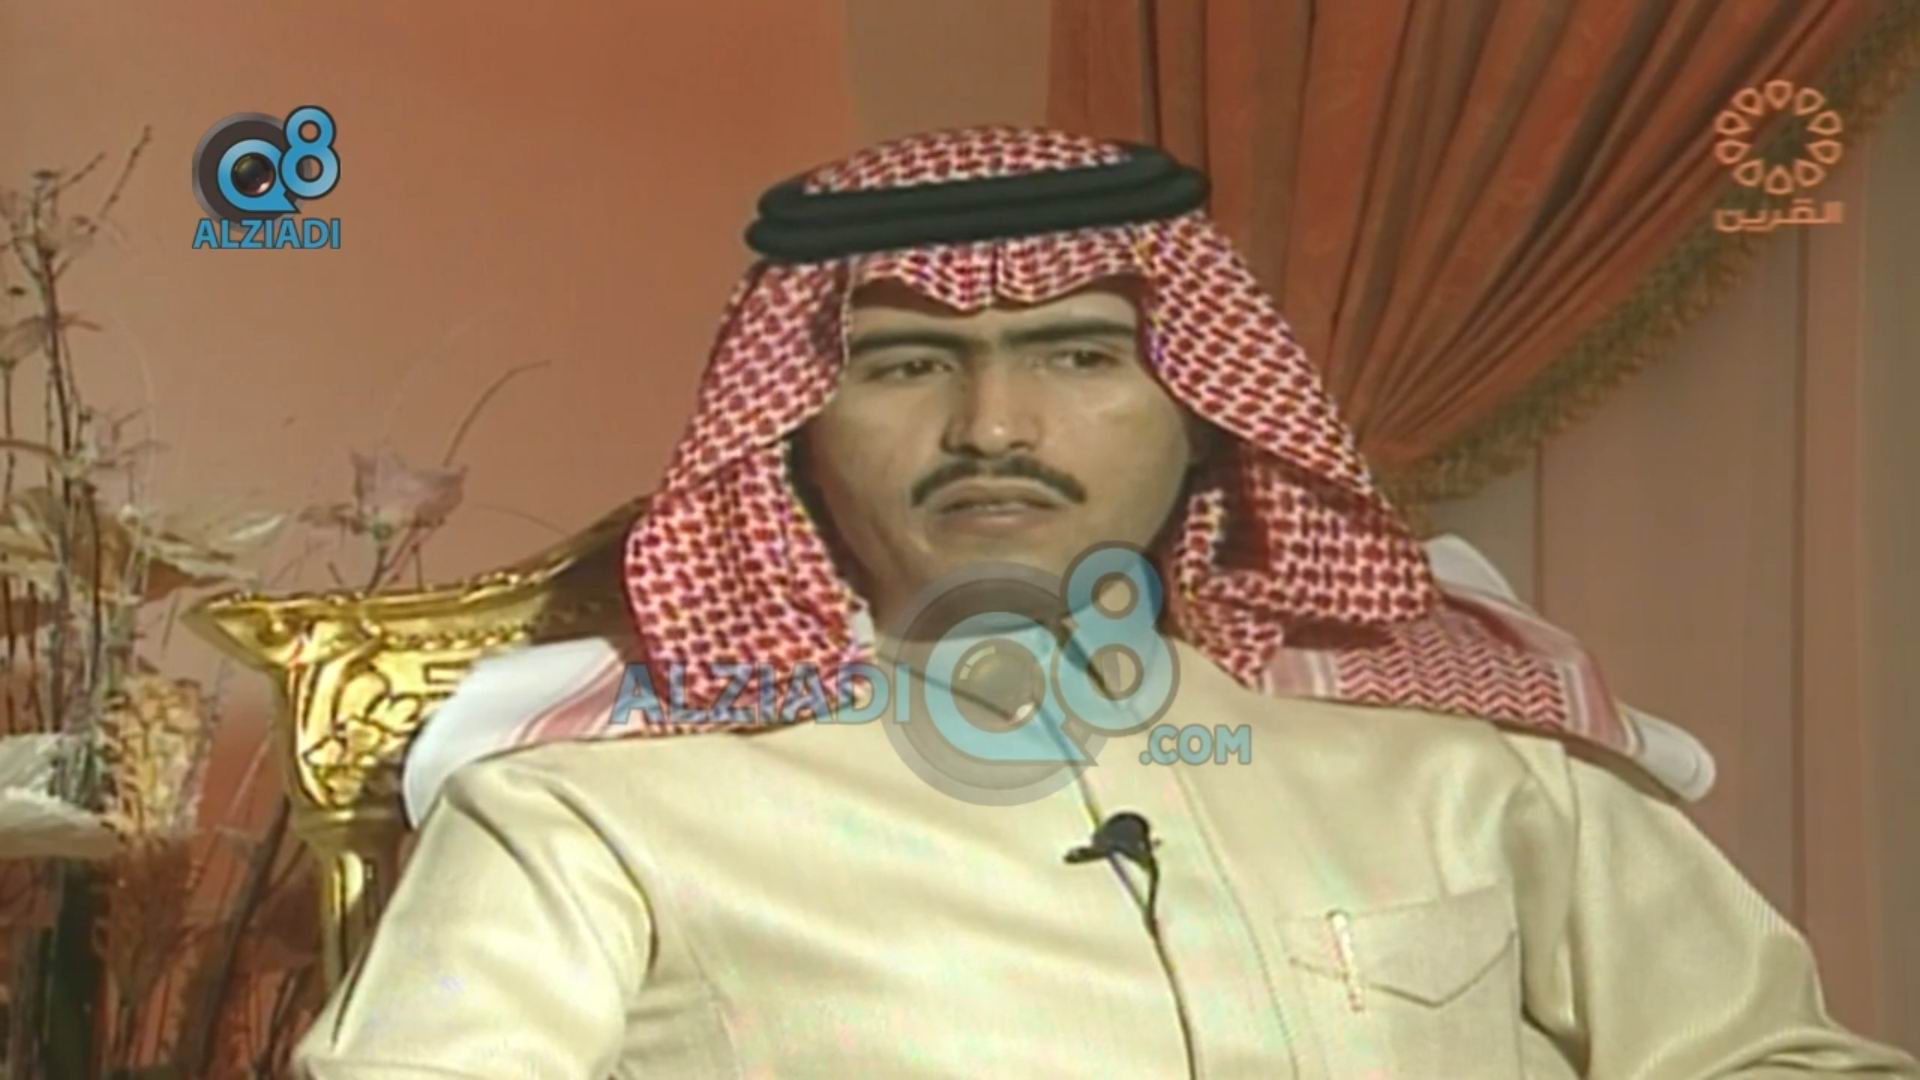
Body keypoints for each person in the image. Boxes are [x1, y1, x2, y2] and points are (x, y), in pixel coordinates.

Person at [291, 126, 1917, 1078]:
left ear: (1205, 406)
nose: (994, 428)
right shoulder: (594, 813)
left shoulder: (1463, 752)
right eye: (905, 365)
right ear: (790, 425)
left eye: (1079, 355)